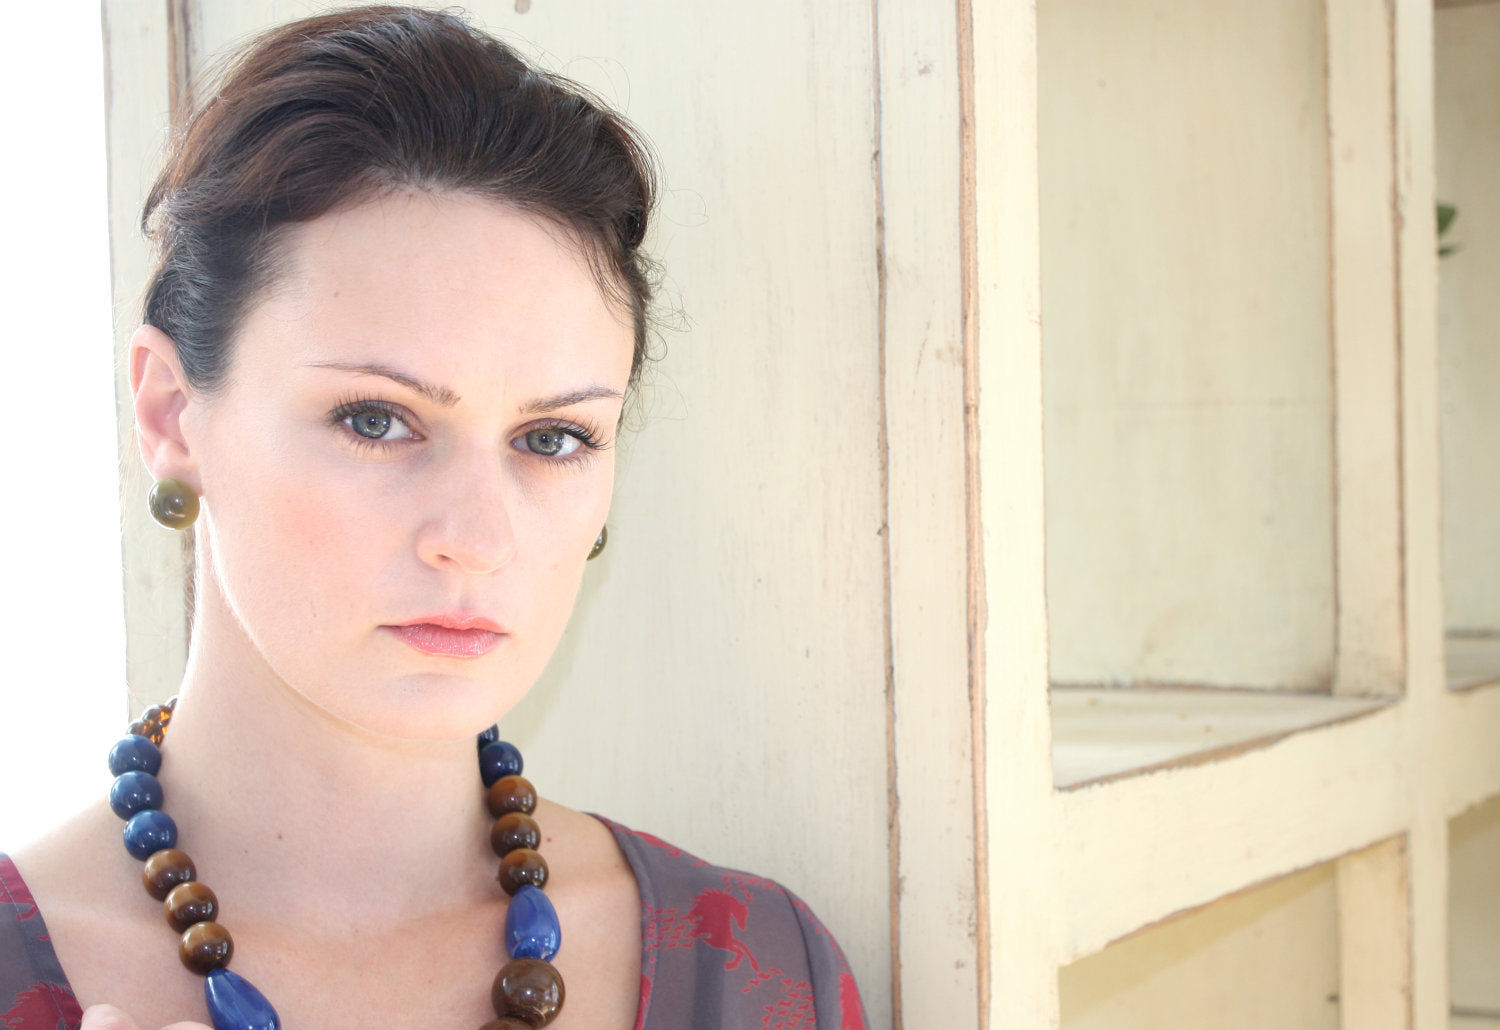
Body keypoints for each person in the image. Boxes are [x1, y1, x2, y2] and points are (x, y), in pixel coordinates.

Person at [0, 7, 868, 1029]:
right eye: (376, 420)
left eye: (551, 438)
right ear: (170, 413)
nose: (477, 536)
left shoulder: (757, 970)